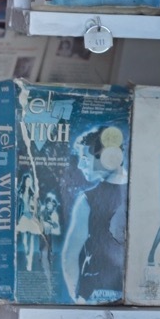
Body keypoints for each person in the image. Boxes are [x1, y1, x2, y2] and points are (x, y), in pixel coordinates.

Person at [61, 125, 128, 304]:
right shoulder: (87, 200)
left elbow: (69, 256)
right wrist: (77, 298)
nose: (80, 165)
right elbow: (70, 255)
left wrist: (77, 297)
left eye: (84, 158)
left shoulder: (86, 201)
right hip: (97, 296)